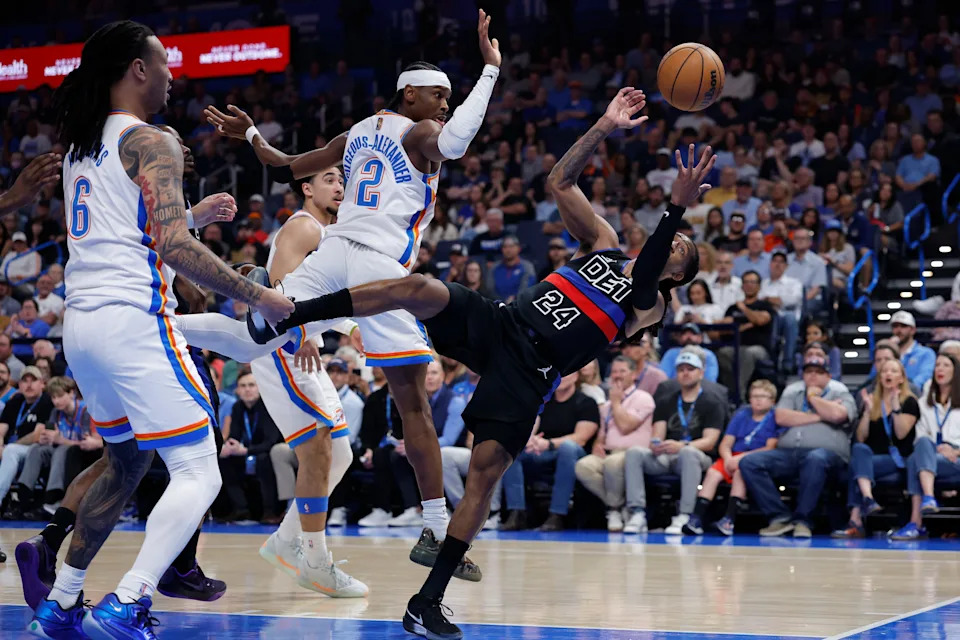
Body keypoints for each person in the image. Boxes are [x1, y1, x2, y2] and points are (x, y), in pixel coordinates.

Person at [236, 88, 708, 638]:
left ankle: (426, 602)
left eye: (682, 251)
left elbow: (647, 273)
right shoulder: (602, 242)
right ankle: (291, 311)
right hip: (502, 323)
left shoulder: (652, 303)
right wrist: (603, 125)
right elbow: (559, 181)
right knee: (417, 286)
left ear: (678, 276)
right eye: (675, 240)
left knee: (483, 478)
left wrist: (674, 207)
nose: (675, 244)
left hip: (531, 370)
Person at [201, 10, 503, 579]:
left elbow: (287, 164)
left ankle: (171, 324)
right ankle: (437, 527)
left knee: (261, 330)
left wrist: (250, 136)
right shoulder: (420, 132)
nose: (445, 104)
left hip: (334, 251)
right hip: (374, 265)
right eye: (439, 95)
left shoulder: (357, 133)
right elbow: (458, 144)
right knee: (413, 398)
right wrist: (489, 72)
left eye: (450, 96)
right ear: (409, 94)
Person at [29, 21, 293, 639]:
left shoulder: (81, 146)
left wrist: (191, 215)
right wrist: (261, 296)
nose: (174, 74)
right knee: (201, 469)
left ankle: (62, 603)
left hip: (83, 327)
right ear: (138, 69)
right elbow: (173, 247)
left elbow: (131, 231)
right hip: (133, 322)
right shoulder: (152, 142)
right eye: (165, 62)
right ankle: (128, 601)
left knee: (124, 463)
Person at [739, 354, 855, 537]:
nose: (813, 376)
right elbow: (781, 417)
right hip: (789, 453)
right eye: (809, 372)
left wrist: (814, 399)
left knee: (815, 458)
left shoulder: (840, 392)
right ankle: (779, 517)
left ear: (828, 376)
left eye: (819, 372)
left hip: (829, 456)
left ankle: (803, 520)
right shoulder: (793, 392)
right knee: (749, 462)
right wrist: (821, 415)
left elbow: (839, 415)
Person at [622, 351, 723, 534]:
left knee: (688, 453)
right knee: (635, 452)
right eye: (681, 369)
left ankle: (686, 514)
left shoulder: (712, 402)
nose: (685, 373)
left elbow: (710, 442)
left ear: (701, 373)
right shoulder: (666, 400)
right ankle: (637, 512)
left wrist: (682, 446)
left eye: (690, 369)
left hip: (697, 457)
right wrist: (656, 444)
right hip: (667, 455)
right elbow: (657, 434)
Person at [500, 373, 599, 532]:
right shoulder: (544, 401)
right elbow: (532, 426)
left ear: (576, 377)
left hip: (573, 454)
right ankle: (516, 512)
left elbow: (581, 438)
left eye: (567, 374)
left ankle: (557, 515)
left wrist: (550, 443)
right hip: (543, 451)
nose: (562, 378)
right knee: (512, 450)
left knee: (567, 448)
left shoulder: (586, 402)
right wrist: (530, 440)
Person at [831, 359, 919, 538]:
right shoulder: (872, 401)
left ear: (902, 378)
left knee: (857, 465)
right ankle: (868, 498)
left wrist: (895, 407)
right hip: (870, 458)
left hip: (897, 459)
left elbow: (901, 434)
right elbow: (862, 436)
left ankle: (856, 520)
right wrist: (867, 413)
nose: (888, 374)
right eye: (885, 371)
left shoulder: (909, 401)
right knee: (859, 450)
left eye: (894, 371)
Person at [683, 379, 780, 536]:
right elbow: (725, 443)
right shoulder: (741, 415)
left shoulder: (774, 418)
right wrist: (728, 459)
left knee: (740, 473)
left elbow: (770, 447)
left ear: (772, 400)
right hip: (732, 457)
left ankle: (729, 519)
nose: (758, 399)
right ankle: (696, 518)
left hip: (754, 458)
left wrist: (741, 459)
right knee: (713, 473)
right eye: (754, 396)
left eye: (763, 396)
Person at [574, 355, 655, 531]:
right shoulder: (607, 405)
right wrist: (597, 444)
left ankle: (613, 509)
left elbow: (626, 426)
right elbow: (602, 433)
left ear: (634, 374)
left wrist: (617, 402)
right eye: (614, 372)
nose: (617, 375)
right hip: (609, 452)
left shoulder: (643, 398)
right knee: (583, 466)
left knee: (612, 463)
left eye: (622, 371)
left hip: (634, 454)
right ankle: (618, 507)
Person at [889, 354, 960, 540]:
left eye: (946, 365)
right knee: (919, 450)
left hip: (956, 456)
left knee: (915, 460)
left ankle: (916, 523)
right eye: (937, 365)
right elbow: (920, 435)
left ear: (956, 371)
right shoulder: (923, 403)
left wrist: (955, 450)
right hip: (933, 453)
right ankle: (928, 498)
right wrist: (937, 448)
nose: (940, 369)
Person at [890, 311, 936, 389]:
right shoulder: (887, 353)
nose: (899, 330)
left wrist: (904, 389)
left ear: (913, 330)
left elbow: (925, 377)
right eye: (895, 326)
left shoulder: (926, 353)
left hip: (915, 396)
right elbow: (874, 377)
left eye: (903, 326)